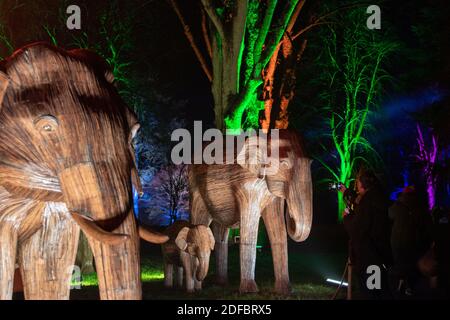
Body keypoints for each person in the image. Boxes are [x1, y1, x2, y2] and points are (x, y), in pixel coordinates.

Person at [339, 168, 392, 299]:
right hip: (379, 254)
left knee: (370, 292)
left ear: (363, 184)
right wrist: (346, 192)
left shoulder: (367, 203)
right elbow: (359, 200)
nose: (356, 185)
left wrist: (347, 217)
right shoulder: (377, 197)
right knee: (377, 289)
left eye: (357, 182)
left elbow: (357, 229)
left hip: (368, 256)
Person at [389, 186, 433, 297]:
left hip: (398, 241)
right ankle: (409, 286)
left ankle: (401, 284)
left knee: (401, 263)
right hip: (414, 241)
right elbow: (427, 225)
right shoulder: (421, 206)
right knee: (412, 264)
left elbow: (390, 214)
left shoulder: (398, 205)